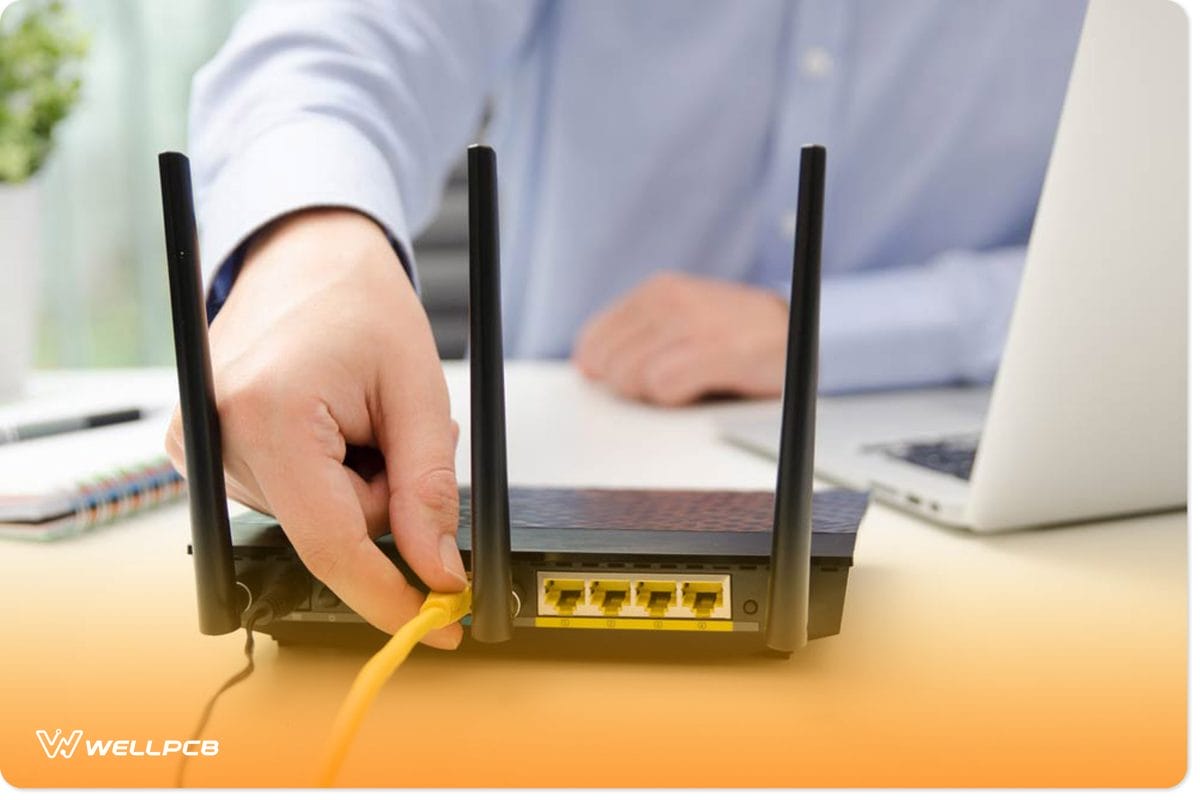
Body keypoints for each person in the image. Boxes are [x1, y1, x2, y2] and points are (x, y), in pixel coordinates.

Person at [169, 0, 1087, 645]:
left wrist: (834, 326)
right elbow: (342, 35)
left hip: (1007, 486)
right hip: (547, 448)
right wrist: (310, 238)